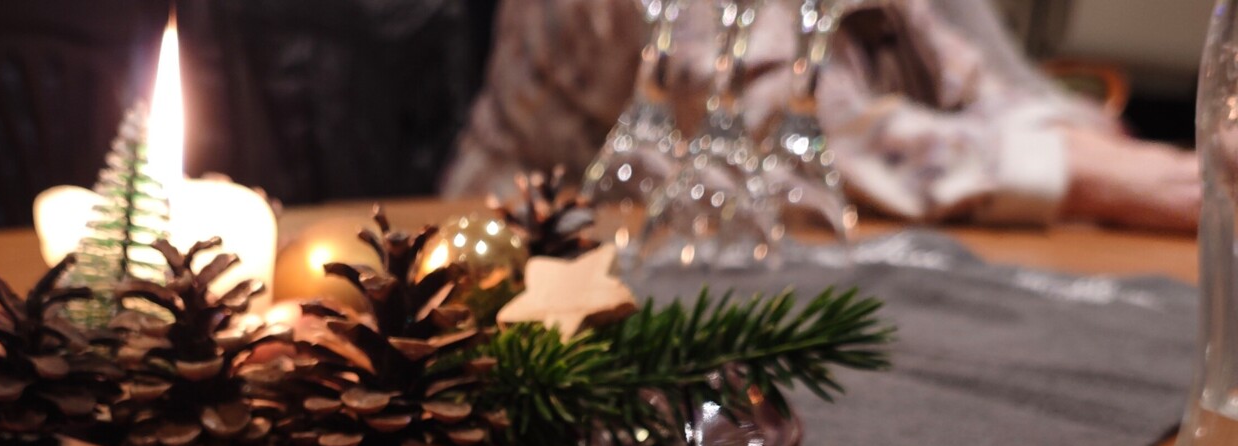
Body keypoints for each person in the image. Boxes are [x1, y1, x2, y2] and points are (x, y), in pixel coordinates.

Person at [442, 0, 1200, 232]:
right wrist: (1105, 176)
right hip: (523, 248)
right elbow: (777, 116)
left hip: (773, 252)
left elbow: (969, 79)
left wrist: (1121, 155)